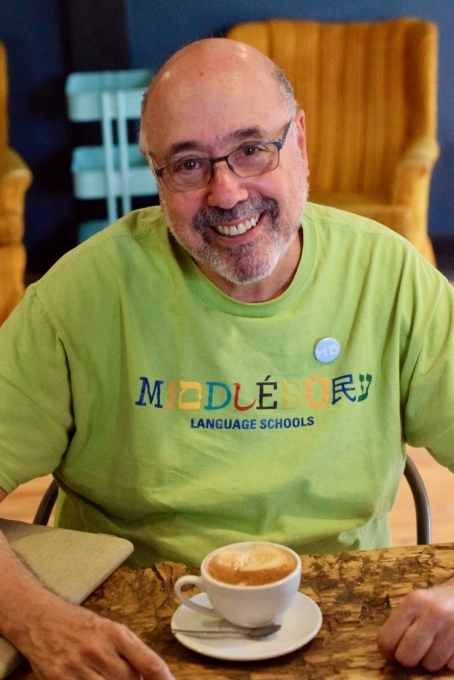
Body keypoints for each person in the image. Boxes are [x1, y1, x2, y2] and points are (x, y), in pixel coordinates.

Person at [1, 36, 454, 678]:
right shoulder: (81, 295)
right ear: (154, 173)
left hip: (349, 624)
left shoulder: (391, 279)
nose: (226, 193)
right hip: (121, 633)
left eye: (250, 149)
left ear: (299, 139)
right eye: (188, 165)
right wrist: (38, 622)